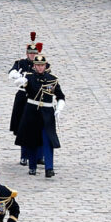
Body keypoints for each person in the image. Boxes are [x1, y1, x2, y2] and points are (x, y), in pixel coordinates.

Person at [12, 48, 66, 177]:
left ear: (45, 66)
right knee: (31, 139)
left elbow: (61, 96)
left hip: (47, 113)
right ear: (34, 66)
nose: (40, 68)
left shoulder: (52, 79)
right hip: (32, 112)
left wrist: (59, 109)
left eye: (42, 65)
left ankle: (49, 168)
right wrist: (20, 80)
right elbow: (21, 84)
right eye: (38, 65)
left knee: (48, 140)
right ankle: (32, 166)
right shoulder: (29, 77)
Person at [7, 34, 38, 165]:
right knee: (22, 127)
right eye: (30, 53)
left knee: (37, 127)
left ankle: (38, 155)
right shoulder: (21, 63)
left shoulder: (43, 64)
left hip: (36, 97)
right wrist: (17, 75)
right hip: (23, 97)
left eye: (34, 53)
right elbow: (11, 73)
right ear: (27, 53)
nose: (32, 55)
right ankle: (23, 155)